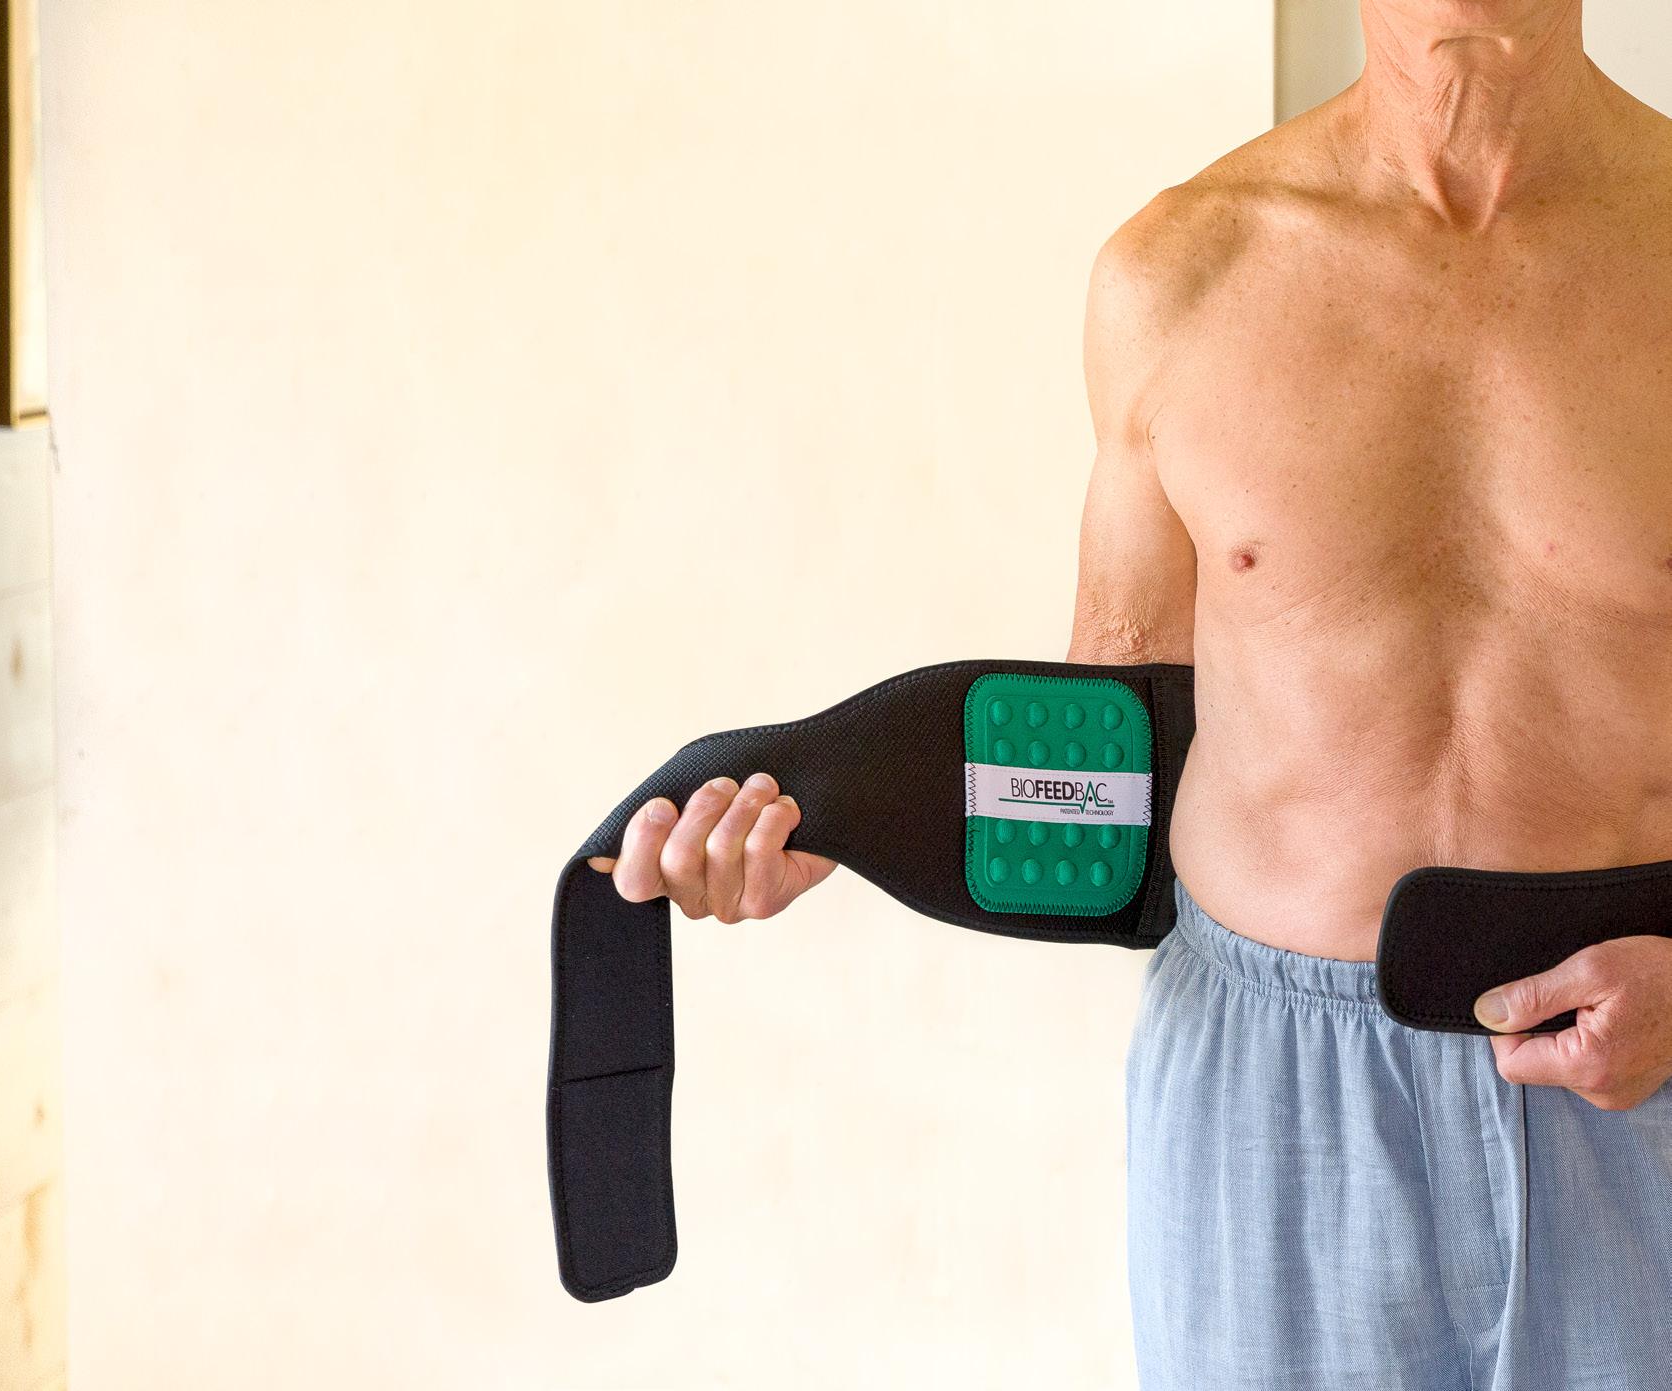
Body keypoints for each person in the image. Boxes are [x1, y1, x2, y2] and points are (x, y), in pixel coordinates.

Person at [592, 2, 1672, 1384]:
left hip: (1644, 1068)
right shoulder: (1179, 274)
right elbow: (1115, 758)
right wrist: (851, 821)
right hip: (1272, 1102)